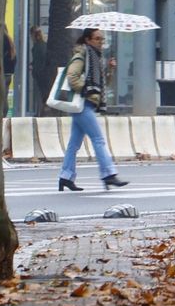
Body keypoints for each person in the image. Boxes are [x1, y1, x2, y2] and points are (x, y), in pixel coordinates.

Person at [56, 28, 128, 192]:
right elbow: (72, 76)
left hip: (87, 104)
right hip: (82, 104)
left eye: (102, 39)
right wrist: (85, 88)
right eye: (97, 39)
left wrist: (110, 70)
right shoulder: (82, 55)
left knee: (74, 144)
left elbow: (103, 86)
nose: (101, 42)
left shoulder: (96, 58)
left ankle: (65, 177)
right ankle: (108, 174)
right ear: (88, 40)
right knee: (98, 139)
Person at [29, 27, 51, 116]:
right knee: (43, 95)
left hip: (40, 75)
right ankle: (41, 112)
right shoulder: (44, 45)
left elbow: (38, 61)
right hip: (44, 74)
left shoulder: (37, 47)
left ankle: (42, 113)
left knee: (41, 94)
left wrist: (33, 68)